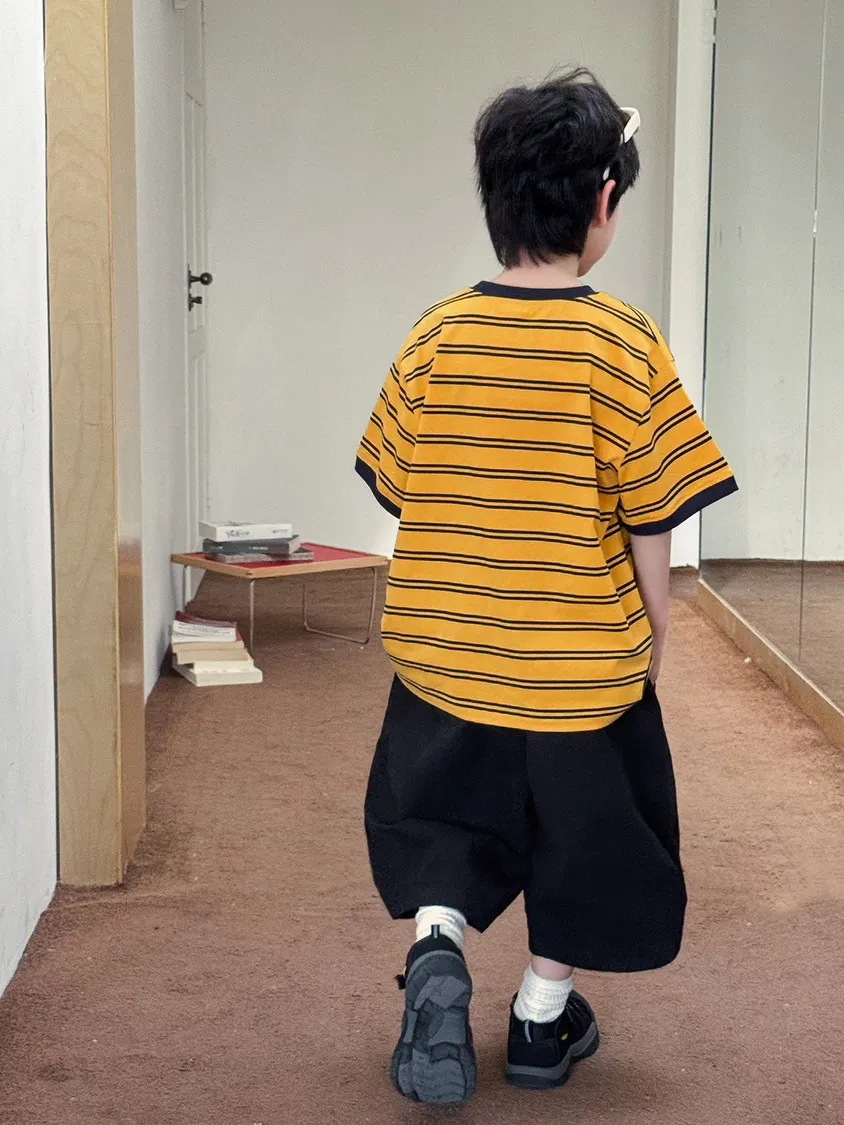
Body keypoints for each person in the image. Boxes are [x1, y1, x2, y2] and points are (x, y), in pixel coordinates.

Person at [355, 68, 737, 1105]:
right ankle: (537, 1017)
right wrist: (652, 635)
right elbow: (653, 516)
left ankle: (437, 949)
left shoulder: (438, 333)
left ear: (493, 196)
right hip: (579, 672)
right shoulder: (624, 344)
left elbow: (399, 482)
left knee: (440, 821)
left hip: (445, 658)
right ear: (605, 201)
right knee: (591, 839)